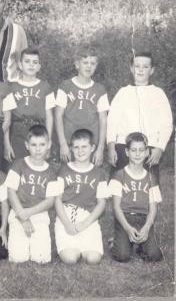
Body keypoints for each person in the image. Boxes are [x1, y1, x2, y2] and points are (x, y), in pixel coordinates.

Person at [107, 51, 173, 182]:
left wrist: (159, 148)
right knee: (118, 188)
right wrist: (110, 147)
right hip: (123, 148)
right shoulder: (123, 92)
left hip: (149, 149)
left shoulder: (158, 93)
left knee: (149, 192)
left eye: (145, 67)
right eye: (137, 66)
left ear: (152, 70)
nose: (141, 70)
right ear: (131, 69)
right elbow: (112, 122)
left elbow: (167, 124)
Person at [53, 129, 108, 265]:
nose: (80, 151)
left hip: (87, 217)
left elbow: (101, 203)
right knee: (71, 258)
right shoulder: (63, 170)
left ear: (92, 148)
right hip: (66, 215)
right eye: (76, 147)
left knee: (93, 258)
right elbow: (57, 200)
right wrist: (66, 224)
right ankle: (70, 243)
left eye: (84, 147)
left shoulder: (99, 173)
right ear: (71, 148)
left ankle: (85, 243)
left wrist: (85, 223)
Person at [5, 125, 58, 263]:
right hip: (18, 212)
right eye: (33, 145)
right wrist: (23, 216)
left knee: (41, 259)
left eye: (42, 144)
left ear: (49, 145)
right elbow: (11, 192)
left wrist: (29, 213)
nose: (38, 149)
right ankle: (21, 239)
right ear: (27, 145)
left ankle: (34, 243)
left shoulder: (51, 171)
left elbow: (50, 201)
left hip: (39, 213)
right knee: (18, 258)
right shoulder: (18, 165)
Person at [108, 132, 163, 262]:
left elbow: (153, 209)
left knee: (154, 255)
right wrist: (127, 228)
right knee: (123, 256)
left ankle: (139, 245)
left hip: (143, 219)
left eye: (141, 150)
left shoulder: (151, 178)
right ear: (127, 152)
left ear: (147, 152)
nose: (137, 154)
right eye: (133, 150)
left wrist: (146, 228)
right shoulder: (119, 175)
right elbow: (116, 208)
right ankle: (114, 243)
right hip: (124, 219)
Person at [55, 46, 109, 166]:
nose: (89, 66)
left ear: (96, 66)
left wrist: (100, 149)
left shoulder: (100, 90)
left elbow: (103, 120)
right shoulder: (65, 86)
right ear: (77, 64)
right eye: (85, 63)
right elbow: (58, 116)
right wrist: (63, 144)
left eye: (92, 63)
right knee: (68, 176)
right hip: (70, 143)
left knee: (90, 177)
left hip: (90, 144)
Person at [7, 48, 55, 161]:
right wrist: (6, 143)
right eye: (27, 61)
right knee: (17, 166)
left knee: (37, 166)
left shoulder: (46, 87)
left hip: (39, 130)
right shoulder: (11, 87)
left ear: (39, 66)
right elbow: (7, 118)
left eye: (35, 62)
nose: (31, 65)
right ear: (20, 65)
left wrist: (48, 140)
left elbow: (49, 117)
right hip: (18, 130)